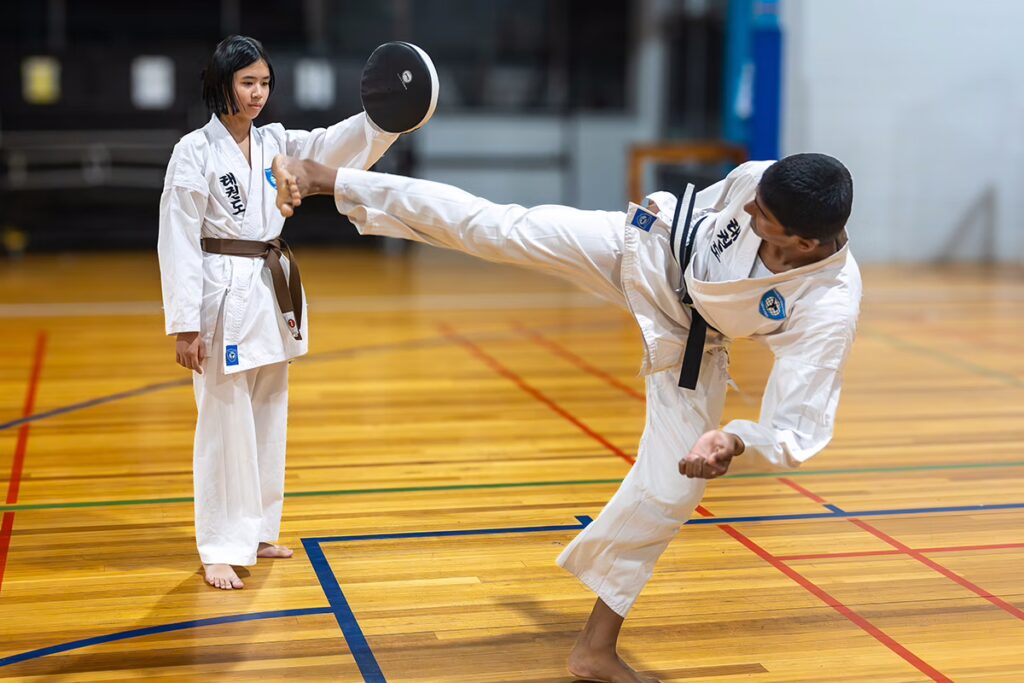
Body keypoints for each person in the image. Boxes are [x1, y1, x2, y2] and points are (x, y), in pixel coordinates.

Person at [270, 150, 860, 682]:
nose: (750, 207)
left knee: (673, 490)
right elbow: (720, 206)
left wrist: (733, 441)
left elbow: (795, 426)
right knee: (498, 226)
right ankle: (330, 179)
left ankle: (594, 649)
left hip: (693, 339)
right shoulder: (761, 180)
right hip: (648, 250)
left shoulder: (827, 306)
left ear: (805, 243)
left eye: (764, 216)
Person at [157, 35, 417, 590]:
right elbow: (176, 239)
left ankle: (256, 531)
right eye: (247, 83)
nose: (258, 94)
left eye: (265, 83)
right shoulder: (194, 151)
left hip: (270, 287)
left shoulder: (276, 141)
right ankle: (219, 546)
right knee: (224, 422)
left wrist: (382, 119)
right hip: (220, 292)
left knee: (269, 413)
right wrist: (184, 325)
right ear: (222, 83)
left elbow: (330, 146)